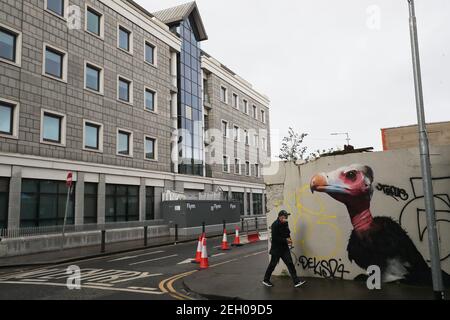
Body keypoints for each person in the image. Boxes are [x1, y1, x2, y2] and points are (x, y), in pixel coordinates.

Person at [262, 210, 306, 288]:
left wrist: (289, 239)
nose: (286, 218)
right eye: (285, 217)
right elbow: (275, 238)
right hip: (276, 249)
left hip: (284, 249)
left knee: (290, 264)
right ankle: (266, 280)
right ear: (280, 217)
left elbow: (287, 233)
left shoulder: (285, 223)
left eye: (287, 217)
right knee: (272, 265)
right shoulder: (275, 225)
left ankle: (296, 281)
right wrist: (285, 240)